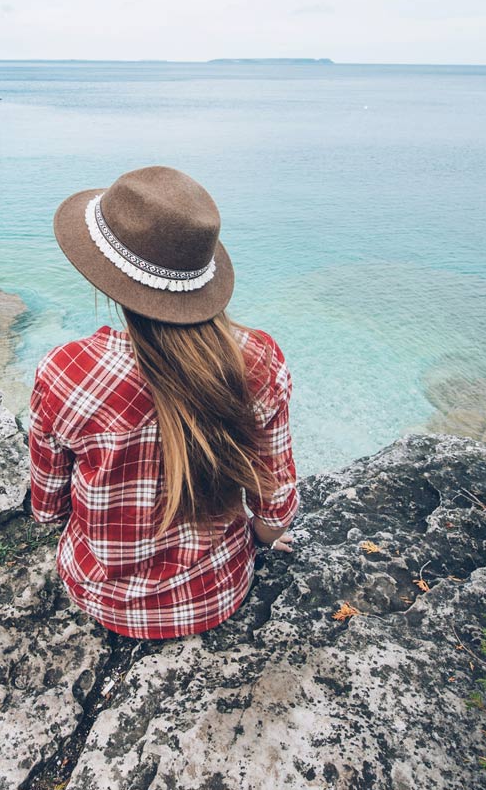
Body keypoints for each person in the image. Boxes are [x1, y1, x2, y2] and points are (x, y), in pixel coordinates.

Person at [28, 165, 298, 640]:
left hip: (103, 597)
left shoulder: (67, 371)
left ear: (106, 276)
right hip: (219, 592)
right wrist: (258, 540)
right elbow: (275, 508)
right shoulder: (258, 360)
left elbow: (47, 509)